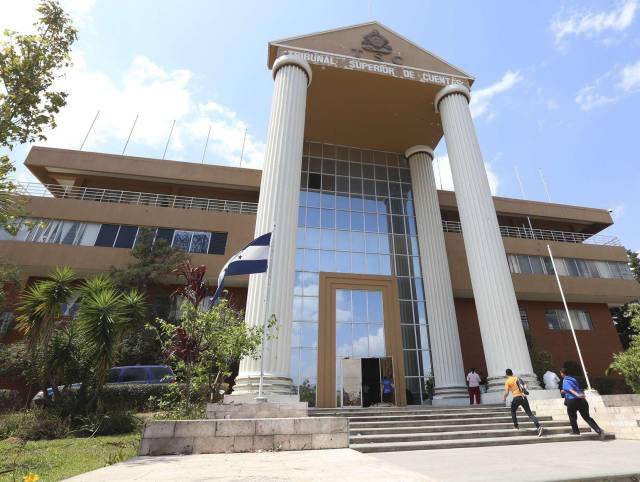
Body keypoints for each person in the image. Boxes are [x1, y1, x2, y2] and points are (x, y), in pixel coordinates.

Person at [560, 367, 607, 440]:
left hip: (573, 400)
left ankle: (575, 431)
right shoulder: (573, 380)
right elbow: (573, 388)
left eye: (561, 373)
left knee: (572, 416)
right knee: (587, 417)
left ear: (562, 373)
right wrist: (565, 391)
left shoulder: (565, 380)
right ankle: (599, 430)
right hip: (582, 400)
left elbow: (570, 389)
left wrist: (577, 395)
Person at [503, 368, 544, 437]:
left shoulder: (507, 381)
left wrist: (504, 397)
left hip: (516, 398)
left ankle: (516, 426)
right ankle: (538, 426)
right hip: (523, 397)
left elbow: (507, 392)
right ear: (512, 373)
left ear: (506, 375)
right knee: (529, 413)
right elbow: (525, 386)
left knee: (513, 411)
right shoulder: (517, 378)